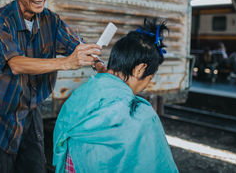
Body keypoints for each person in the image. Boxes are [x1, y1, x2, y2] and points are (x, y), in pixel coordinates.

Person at [0, 0, 102, 173]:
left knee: (35, 167)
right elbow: (16, 64)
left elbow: (76, 45)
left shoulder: (51, 20)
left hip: (31, 113)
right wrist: (67, 63)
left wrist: (100, 66)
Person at [53, 18, 178, 173]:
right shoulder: (142, 117)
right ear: (139, 69)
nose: (147, 84)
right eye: (149, 78)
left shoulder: (82, 94)